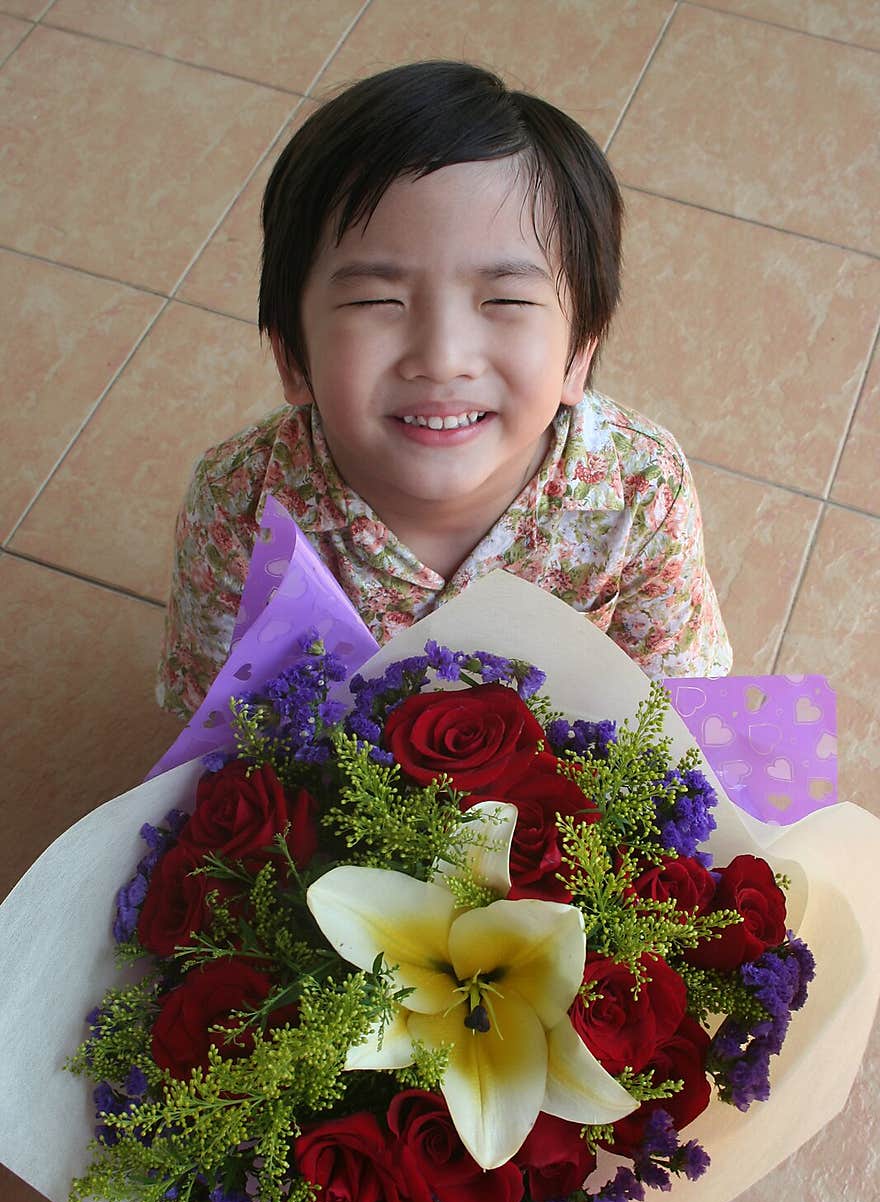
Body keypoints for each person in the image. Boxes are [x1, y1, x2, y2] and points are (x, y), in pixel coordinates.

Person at [156, 59, 731, 725]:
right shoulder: (240, 503)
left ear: (579, 354)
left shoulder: (640, 490)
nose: (442, 359)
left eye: (506, 299)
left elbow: (680, 710)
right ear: (292, 357)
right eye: (378, 299)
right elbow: (217, 719)